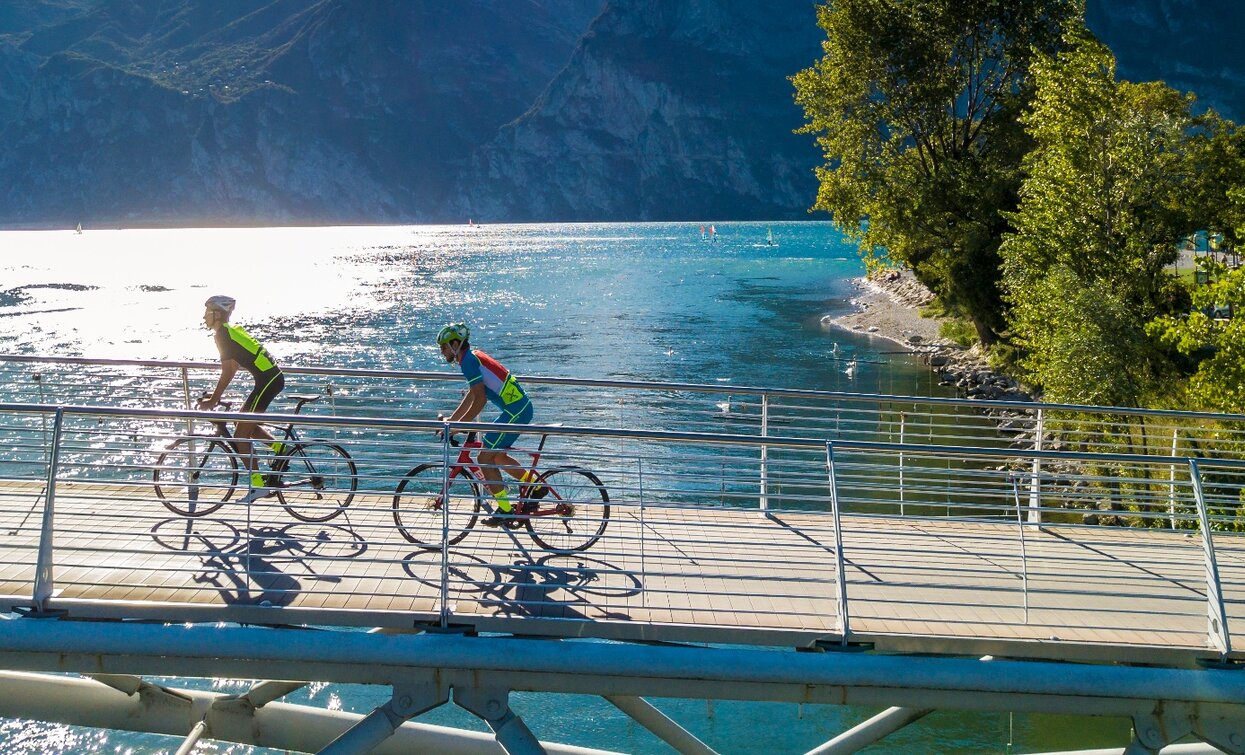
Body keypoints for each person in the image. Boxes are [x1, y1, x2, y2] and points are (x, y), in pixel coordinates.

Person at [436, 322, 544, 527]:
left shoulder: (468, 361)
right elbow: (472, 394)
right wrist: (453, 420)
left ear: (456, 344)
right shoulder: (471, 357)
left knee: (484, 457)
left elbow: (480, 400)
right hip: (517, 409)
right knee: (497, 455)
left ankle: (505, 509)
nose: (442, 352)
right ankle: (535, 486)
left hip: (516, 411)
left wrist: (458, 426)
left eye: (444, 347)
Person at [199, 295, 286, 502]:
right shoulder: (228, 331)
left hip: (268, 381)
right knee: (242, 423)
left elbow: (228, 371)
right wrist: (215, 395)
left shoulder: (223, 335)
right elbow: (232, 367)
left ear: (216, 314)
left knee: (240, 436)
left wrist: (213, 400)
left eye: (206, 313)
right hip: (268, 379)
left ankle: (258, 485)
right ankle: (281, 448)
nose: (203, 317)